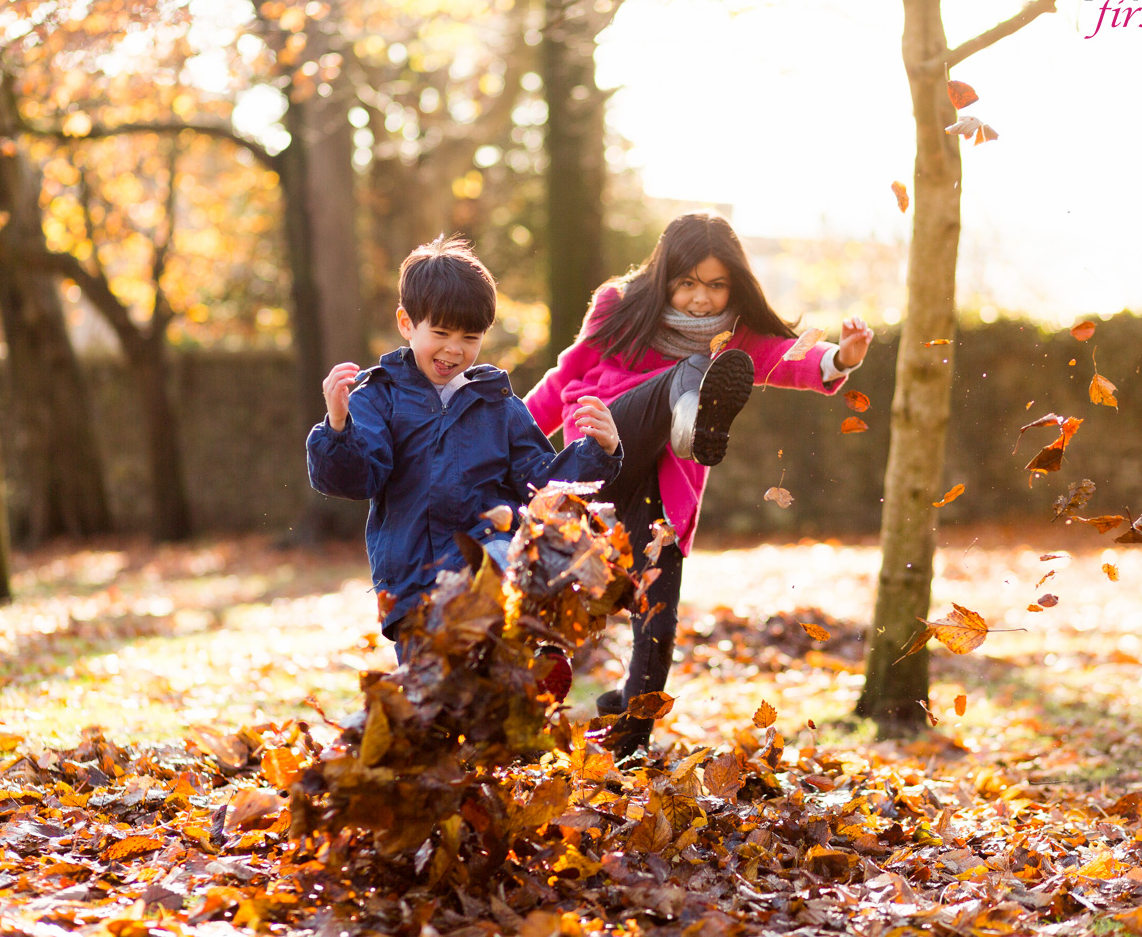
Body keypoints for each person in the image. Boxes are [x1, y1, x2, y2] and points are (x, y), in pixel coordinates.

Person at [523, 212, 872, 755]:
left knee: (656, 627)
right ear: (665, 276)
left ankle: (626, 740)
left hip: (661, 492)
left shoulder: (735, 336)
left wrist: (839, 359)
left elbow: (784, 358)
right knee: (686, 374)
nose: (700, 299)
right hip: (601, 454)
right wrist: (513, 447)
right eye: (687, 283)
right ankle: (685, 403)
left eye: (715, 285)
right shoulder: (619, 305)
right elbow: (566, 375)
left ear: (732, 284)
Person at [307, 236, 623, 659]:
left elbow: (543, 487)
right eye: (440, 333)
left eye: (469, 337)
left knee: (490, 686)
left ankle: (530, 660)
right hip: (414, 587)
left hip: (487, 575)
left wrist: (597, 451)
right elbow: (358, 477)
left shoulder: (499, 404)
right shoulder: (378, 397)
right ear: (407, 323)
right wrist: (338, 427)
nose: (454, 349)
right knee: (432, 699)